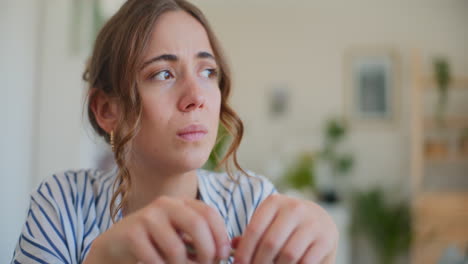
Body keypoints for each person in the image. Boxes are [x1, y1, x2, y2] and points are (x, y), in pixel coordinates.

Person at [11, 0, 338, 263]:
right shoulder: (63, 203)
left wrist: (323, 248)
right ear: (107, 110)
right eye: (163, 74)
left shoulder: (252, 203)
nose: (196, 98)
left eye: (208, 71)